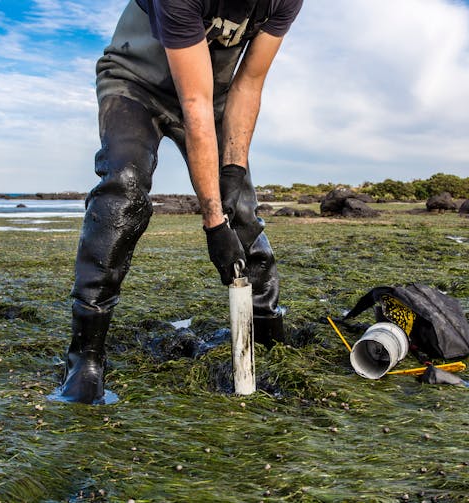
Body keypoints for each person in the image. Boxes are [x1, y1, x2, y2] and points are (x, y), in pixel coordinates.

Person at [58, 0, 304, 404]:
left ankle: (266, 330)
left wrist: (233, 175)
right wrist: (212, 223)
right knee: (125, 188)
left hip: (215, 94)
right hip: (136, 84)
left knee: (239, 207)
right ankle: (84, 354)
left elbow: (249, 84)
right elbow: (193, 105)